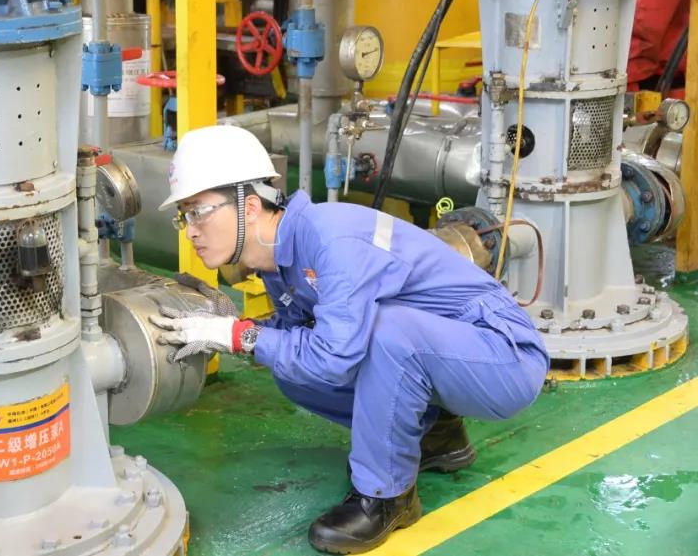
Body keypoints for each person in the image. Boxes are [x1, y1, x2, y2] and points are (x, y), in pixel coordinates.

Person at [151, 125, 549, 555]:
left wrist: (239, 336)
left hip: (505, 356)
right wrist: (235, 328)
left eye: (198, 212)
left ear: (248, 205)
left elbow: (334, 357)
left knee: (385, 333)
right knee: (292, 370)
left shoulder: (330, 237)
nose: (190, 230)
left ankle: (387, 497)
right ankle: (437, 434)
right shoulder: (278, 263)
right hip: (448, 356)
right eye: (184, 216)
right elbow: (299, 344)